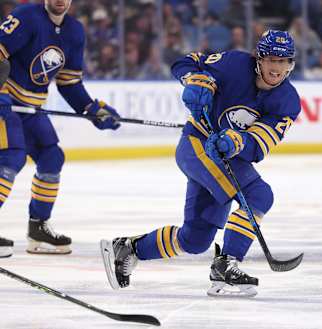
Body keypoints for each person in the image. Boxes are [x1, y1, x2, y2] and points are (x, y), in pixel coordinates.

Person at [100, 30, 300, 297]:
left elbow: (258, 144)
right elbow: (184, 62)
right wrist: (196, 81)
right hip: (196, 145)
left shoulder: (288, 101)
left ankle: (129, 249)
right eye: (271, 60)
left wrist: (237, 141)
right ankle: (226, 266)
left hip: (224, 157)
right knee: (259, 194)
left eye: (283, 61)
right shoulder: (233, 63)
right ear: (258, 59)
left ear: (291, 65)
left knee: (195, 240)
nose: (276, 67)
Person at [0, 0, 121, 258]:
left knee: (51, 157)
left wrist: (92, 109)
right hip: (6, 102)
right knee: (10, 159)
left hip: (31, 109)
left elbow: (69, 83)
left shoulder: (74, 31)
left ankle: (38, 229)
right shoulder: (27, 16)